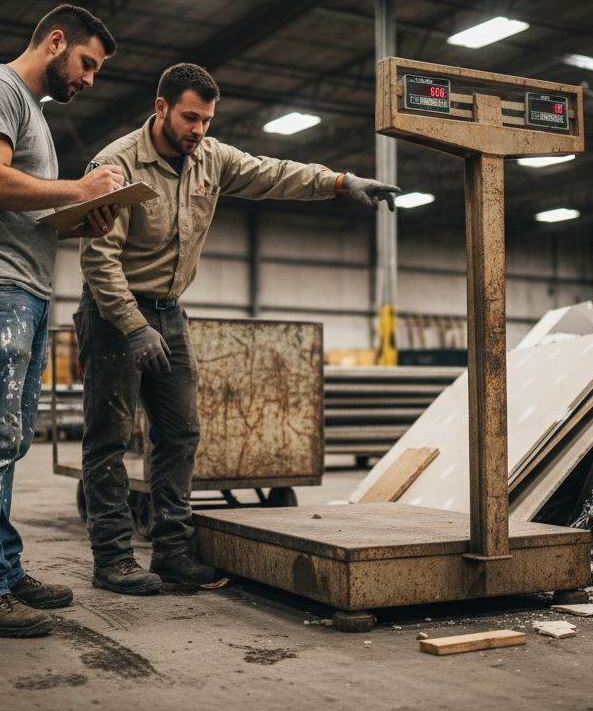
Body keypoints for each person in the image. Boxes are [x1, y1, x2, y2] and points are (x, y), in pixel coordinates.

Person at [76, 62, 399, 594]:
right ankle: (112, 560)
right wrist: (134, 327)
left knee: (180, 433)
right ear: (160, 108)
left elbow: (275, 173)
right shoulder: (116, 165)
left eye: (205, 119)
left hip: (170, 312)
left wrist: (340, 182)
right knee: (108, 440)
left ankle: (172, 552)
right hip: (114, 316)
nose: (198, 130)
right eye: (189, 118)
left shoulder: (210, 157)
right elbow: (99, 259)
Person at [0, 4, 125, 638]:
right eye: (87, 63)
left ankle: (2, 570)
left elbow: (24, 209)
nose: (90, 78)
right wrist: (79, 190)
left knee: (8, 439)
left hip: (22, 289)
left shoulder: (33, 115)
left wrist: (79, 217)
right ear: (56, 41)